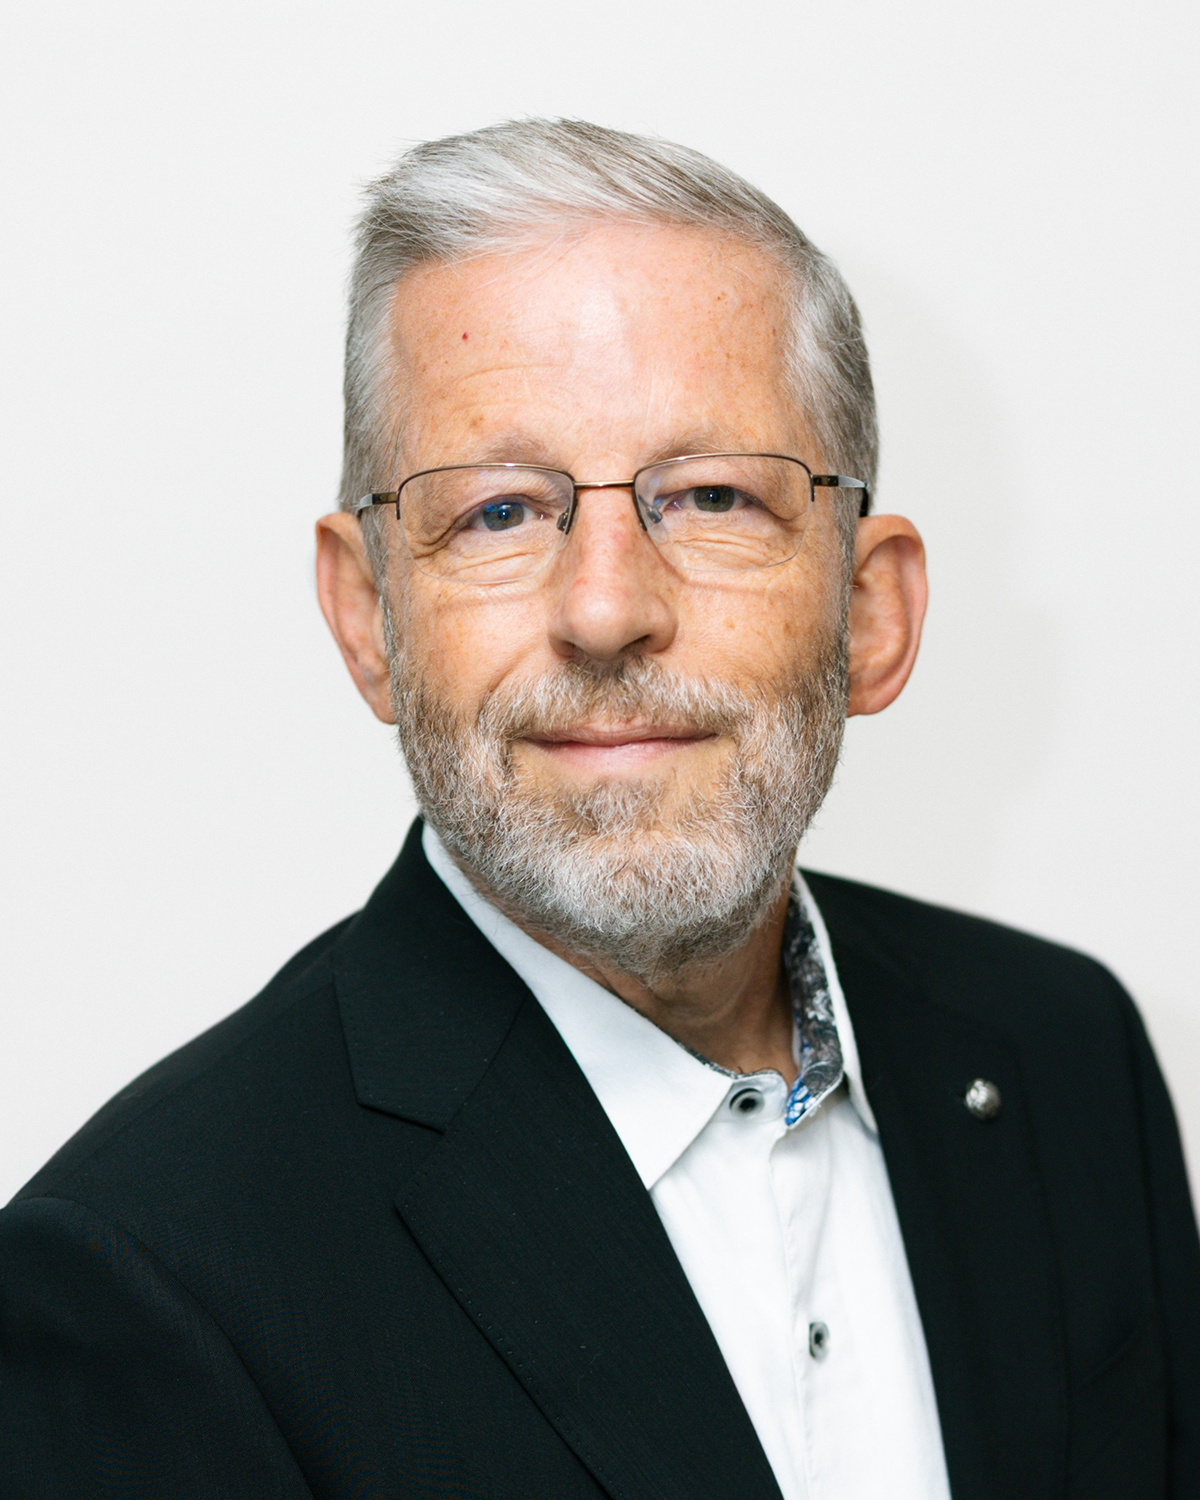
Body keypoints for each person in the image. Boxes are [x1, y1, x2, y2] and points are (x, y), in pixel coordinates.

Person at [1, 119, 1196, 1500]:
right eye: (500, 512)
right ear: (369, 616)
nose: (608, 608)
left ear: (871, 613)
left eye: (710, 496)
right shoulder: (142, 1278)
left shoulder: (1064, 1056)